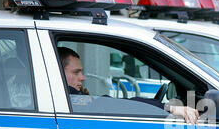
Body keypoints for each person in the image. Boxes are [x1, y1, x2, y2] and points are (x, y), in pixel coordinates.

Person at [58, 47, 199, 124]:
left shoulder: (68, 98)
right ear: (57, 71)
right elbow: (111, 105)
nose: (82, 78)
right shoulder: (71, 99)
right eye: (76, 72)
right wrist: (170, 108)